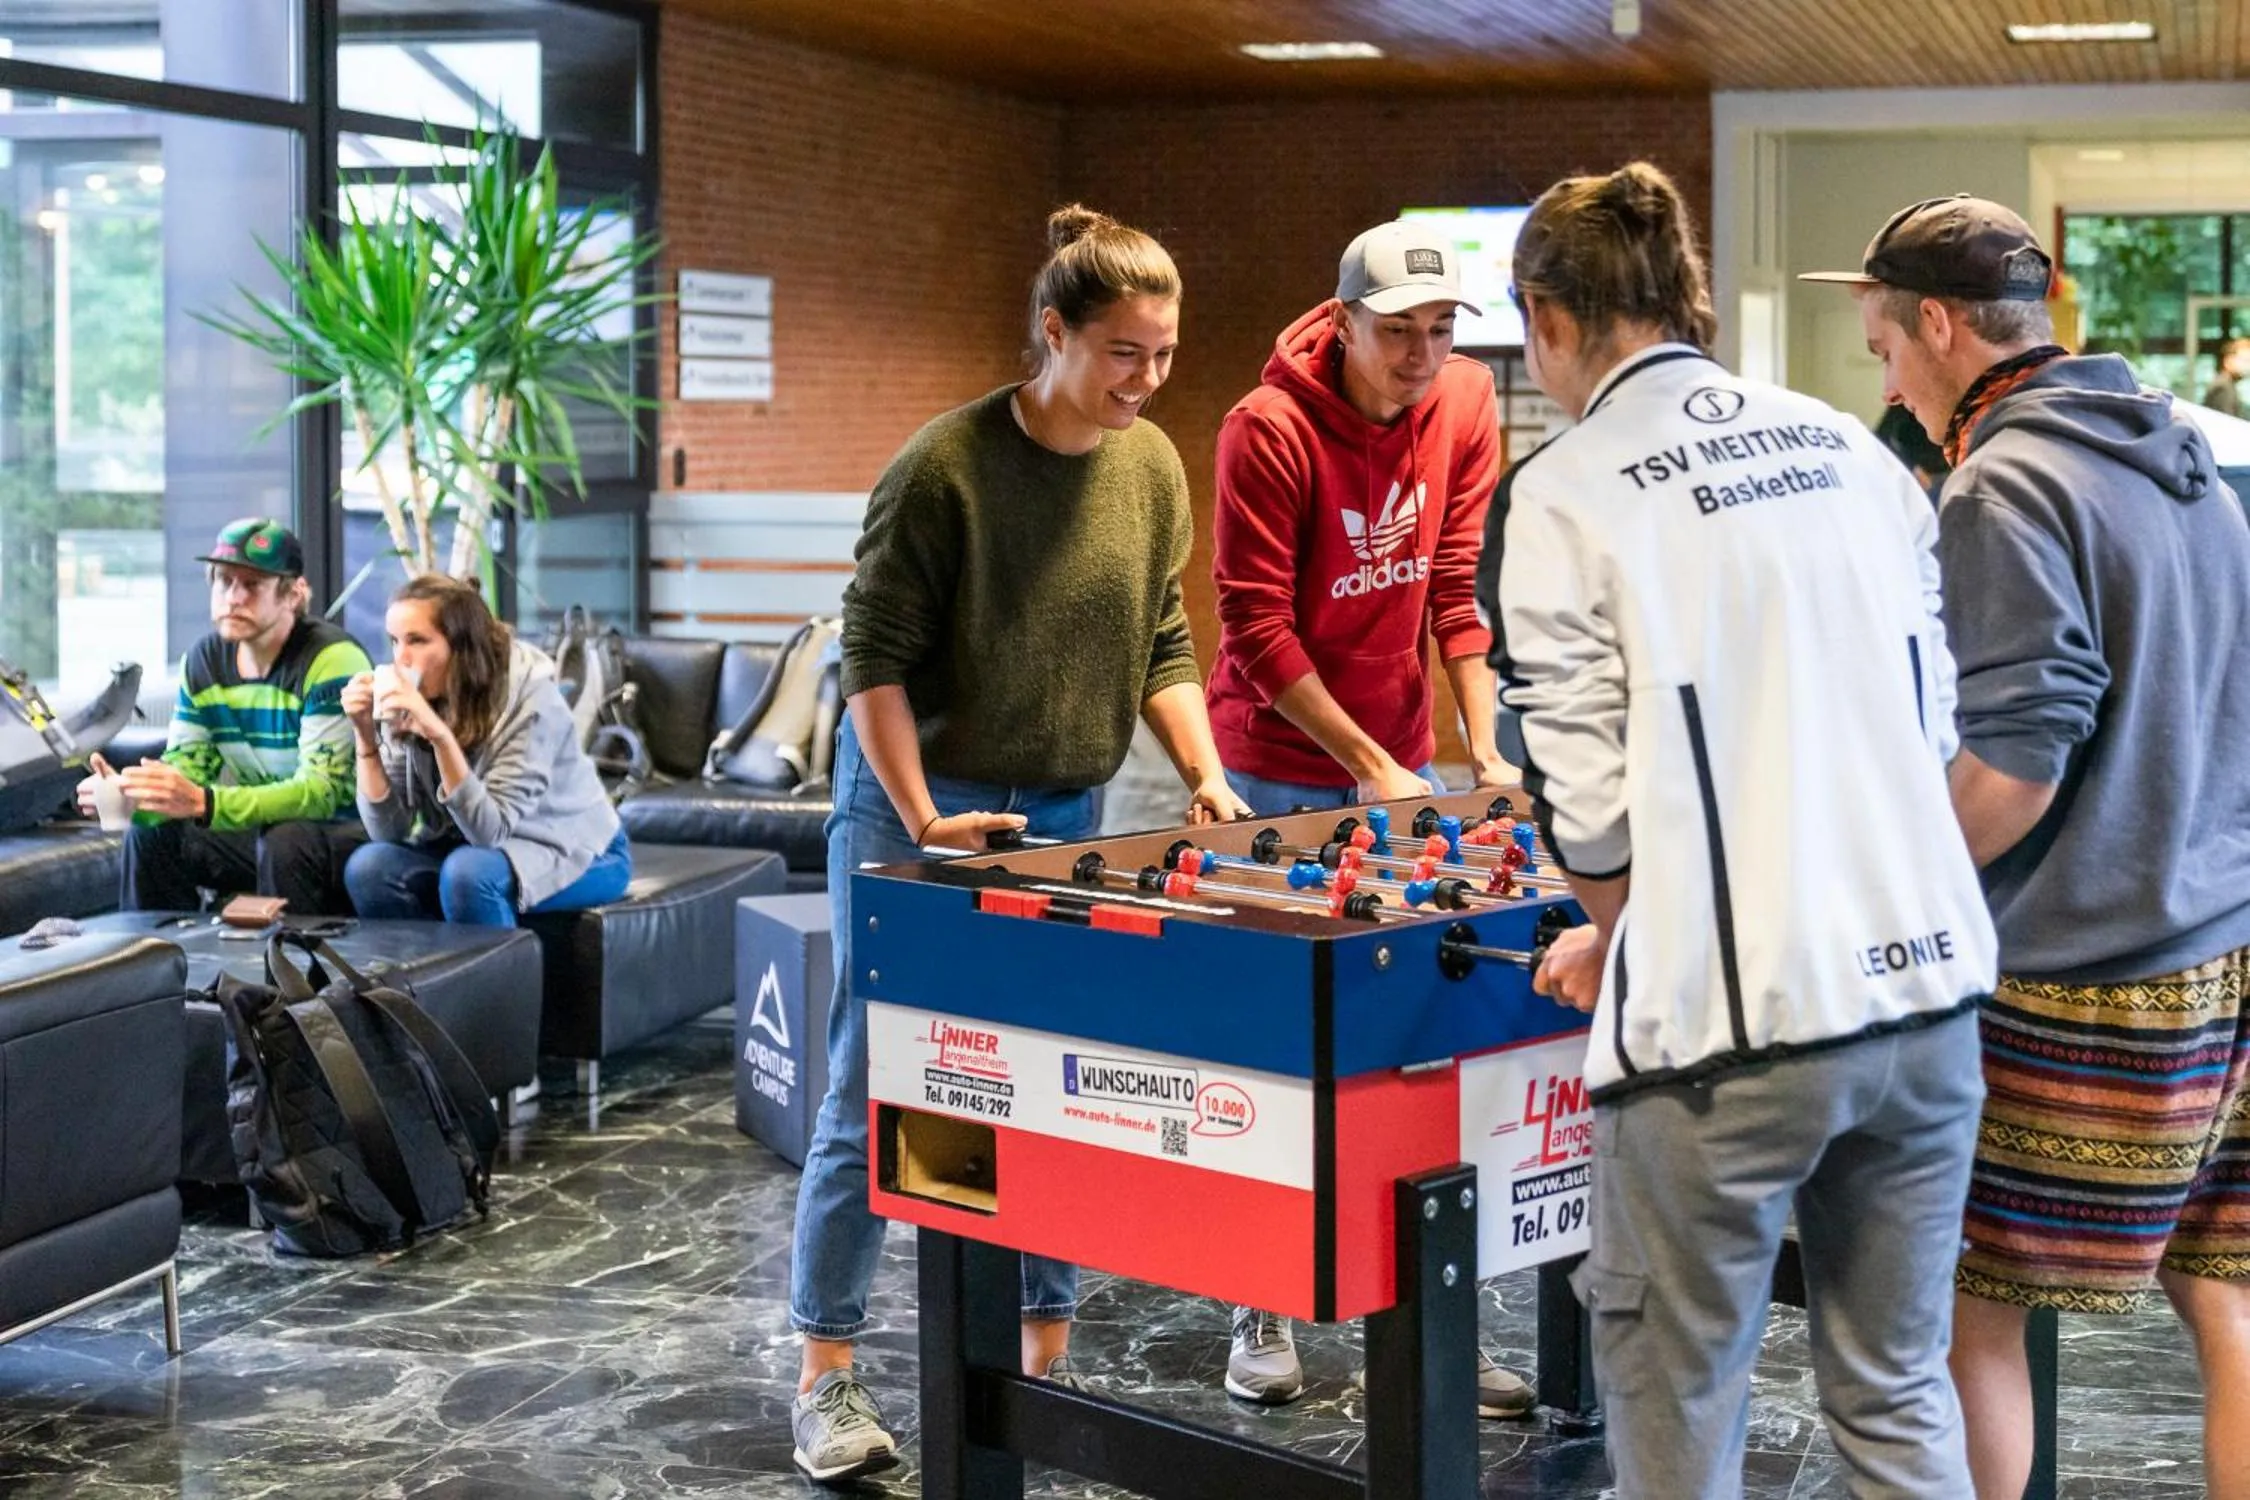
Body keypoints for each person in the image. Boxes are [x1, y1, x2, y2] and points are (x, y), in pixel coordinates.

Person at [1491, 162, 1997, 1499]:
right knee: (1895, 1400)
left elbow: (1582, 800)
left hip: (1728, 1043)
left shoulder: (1565, 487)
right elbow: (1919, 730)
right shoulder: (1846, 443)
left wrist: (1628, 935)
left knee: (1677, 1422)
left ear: (1544, 319)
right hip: (1930, 1004)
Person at [785, 204, 1249, 1487]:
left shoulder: (1149, 463)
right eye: (1123, 354)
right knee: (872, 1078)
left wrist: (1204, 773)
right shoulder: (941, 469)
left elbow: (1160, 637)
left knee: (1050, 1078)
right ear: (1053, 333)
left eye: (1164, 354)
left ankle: (1045, 1359)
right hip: (914, 806)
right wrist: (929, 816)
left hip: (1062, 810)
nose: (1147, 381)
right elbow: (869, 662)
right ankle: (826, 1372)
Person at [1814, 194, 2250, 1500]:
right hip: (2222, 950)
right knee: (2223, 1306)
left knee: (1970, 1325)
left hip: (2081, 971)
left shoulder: (2001, 478)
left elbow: (2016, 755)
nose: (1885, 376)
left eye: (1885, 348)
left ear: (1939, 327)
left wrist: (1882, 903)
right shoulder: (2176, 444)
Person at [1204, 219, 1526, 1414]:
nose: (1422, 357)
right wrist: (1368, 761)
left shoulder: (1467, 402)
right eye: (1399, 334)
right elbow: (1255, 625)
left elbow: (1453, 588)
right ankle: (1260, 1300)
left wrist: (1476, 747)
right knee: (1279, 1045)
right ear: (1342, 321)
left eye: (1442, 333)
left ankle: (1447, 1307)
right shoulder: (1269, 428)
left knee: (1426, 1039)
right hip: (1280, 758)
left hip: (1397, 759)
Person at [77, 517, 370, 915]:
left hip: (343, 835)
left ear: (292, 595)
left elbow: (322, 793)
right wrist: (137, 797)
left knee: (286, 839)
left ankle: (293, 972)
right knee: (151, 833)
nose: (233, 597)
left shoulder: (331, 658)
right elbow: (189, 767)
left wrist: (205, 802)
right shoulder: (203, 661)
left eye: (252, 585)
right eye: (224, 581)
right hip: (266, 831)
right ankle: (153, 965)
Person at [340, 574, 630, 927]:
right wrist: (366, 737)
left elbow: (489, 833)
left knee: (469, 873)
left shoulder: (531, 701)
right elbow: (388, 832)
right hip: (465, 846)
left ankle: (494, 983)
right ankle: (416, 981)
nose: (401, 658)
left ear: (462, 648)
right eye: (394, 641)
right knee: (370, 867)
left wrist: (439, 736)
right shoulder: (417, 695)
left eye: (416, 641)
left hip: (578, 850)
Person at [1874, 399, 1948, 501]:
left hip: (1953, 473)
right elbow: (1881, 438)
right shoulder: (1908, 397)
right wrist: (1911, 467)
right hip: (1924, 478)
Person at [2204, 335, 2250, 418]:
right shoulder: (2223, 387)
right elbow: (2227, 422)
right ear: (2228, 360)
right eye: (2245, 360)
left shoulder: (2226, 384)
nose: (2248, 366)